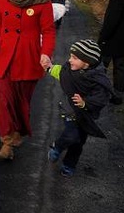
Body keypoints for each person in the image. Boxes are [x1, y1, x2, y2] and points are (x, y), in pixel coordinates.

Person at [0, 0, 56, 160]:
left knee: (22, 102)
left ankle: (19, 131)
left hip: (28, 57)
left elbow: (49, 31)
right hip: (4, 55)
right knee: (4, 100)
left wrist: (45, 53)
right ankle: (6, 142)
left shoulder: (43, 1)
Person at [46, 40, 114, 177]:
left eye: (74, 58)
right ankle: (57, 147)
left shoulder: (97, 80)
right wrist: (49, 68)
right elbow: (60, 73)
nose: (70, 60)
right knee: (72, 135)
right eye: (71, 56)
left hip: (85, 115)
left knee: (78, 143)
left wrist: (85, 103)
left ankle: (69, 165)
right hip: (69, 110)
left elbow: (101, 97)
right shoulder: (70, 70)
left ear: (87, 63)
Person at [98, 0, 124, 105]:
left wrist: (102, 38)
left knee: (101, 65)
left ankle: (99, 92)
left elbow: (111, 21)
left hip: (113, 39)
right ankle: (118, 96)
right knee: (121, 68)